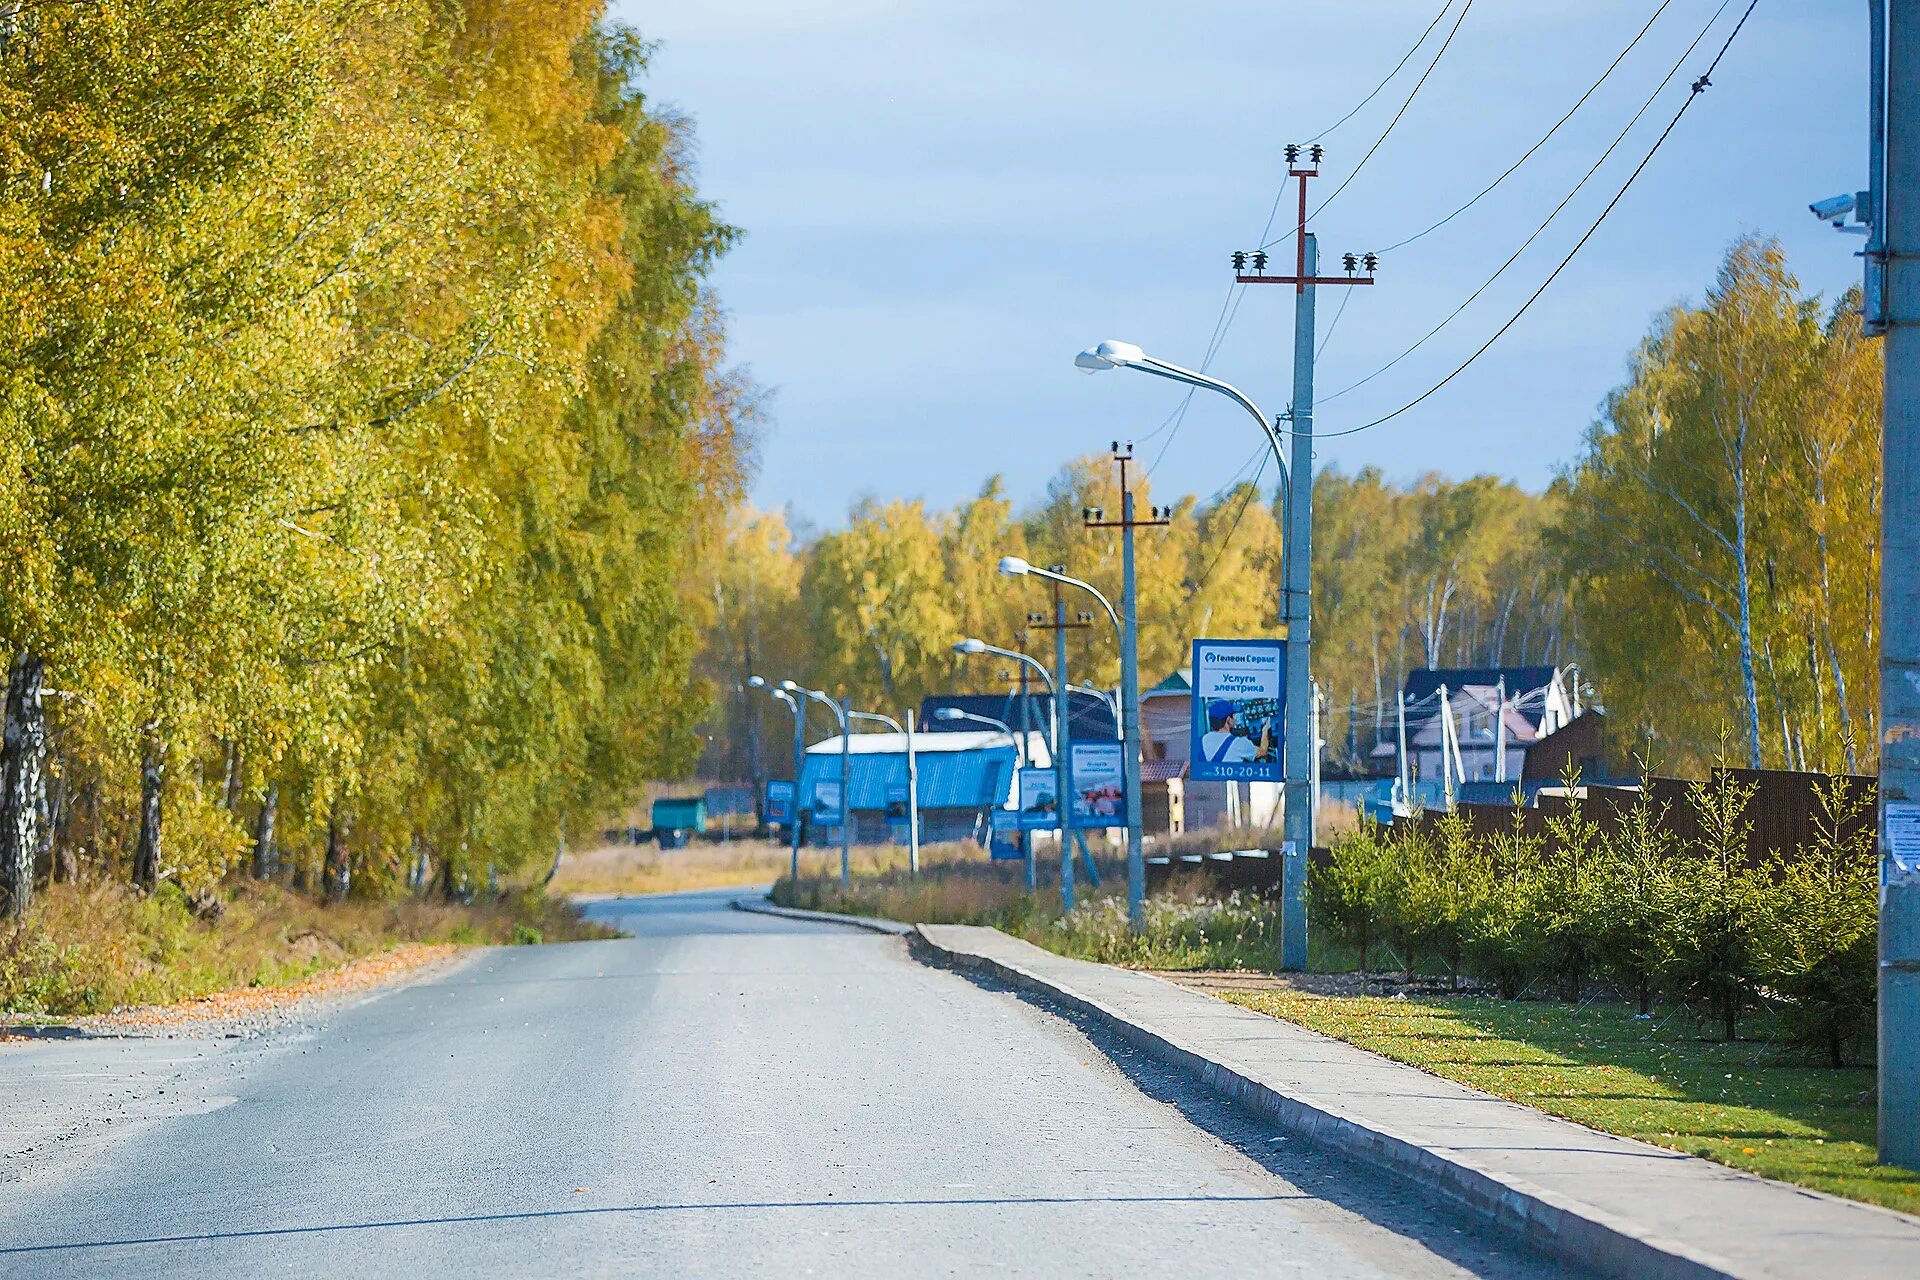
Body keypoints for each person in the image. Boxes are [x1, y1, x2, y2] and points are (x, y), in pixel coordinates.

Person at [1200, 699, 1259, 766]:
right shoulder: (1240, 743)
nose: (1235, 719)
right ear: (1228, 720)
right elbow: (1263, 752)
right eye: (1233, 716)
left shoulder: (1201, 741)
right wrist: (1265, 730)